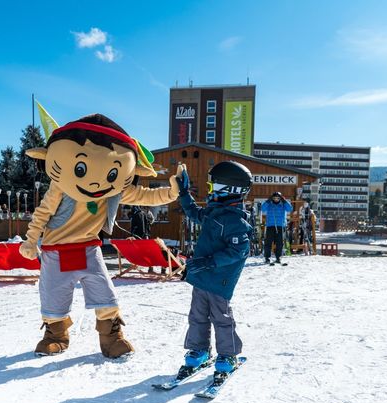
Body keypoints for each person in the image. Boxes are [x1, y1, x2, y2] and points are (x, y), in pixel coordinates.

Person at [19, 113, 182, 359]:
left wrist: (172, 192)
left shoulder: (112, 192)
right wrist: (31, 240)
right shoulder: (60, 187)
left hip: (88, 250)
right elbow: (42, 213)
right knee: (53, 295)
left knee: (105, 295)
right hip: (56, 251)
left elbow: (144, 196)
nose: (95, 184)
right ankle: (55, 335)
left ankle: (112, 338)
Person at [174, 160, 253, 376]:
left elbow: (240, 251)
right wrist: (184, 192)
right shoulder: (214, 212)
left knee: (221, 317)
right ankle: (199, 350)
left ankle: (228, 354)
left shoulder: (237, 222)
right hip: (201, 277)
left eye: (212, 186)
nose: (209, 191)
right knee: (197, 316)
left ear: (228, 189)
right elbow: (193, 213)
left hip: (220, 280)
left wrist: (209, 261)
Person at [261, 191, 293, 264]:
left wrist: (285, 201)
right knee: (268, 242)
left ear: (280, 198)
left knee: (279, 243)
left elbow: (289, 209)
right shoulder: (269, 204)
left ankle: (278, 257)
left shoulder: (283, 204)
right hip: (270, 225)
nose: (276, 199)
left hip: (281, 226)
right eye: (274, 198)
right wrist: (267, 201)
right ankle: (267, 258)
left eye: (278, 198)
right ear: (272, 198)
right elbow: (262, 209)